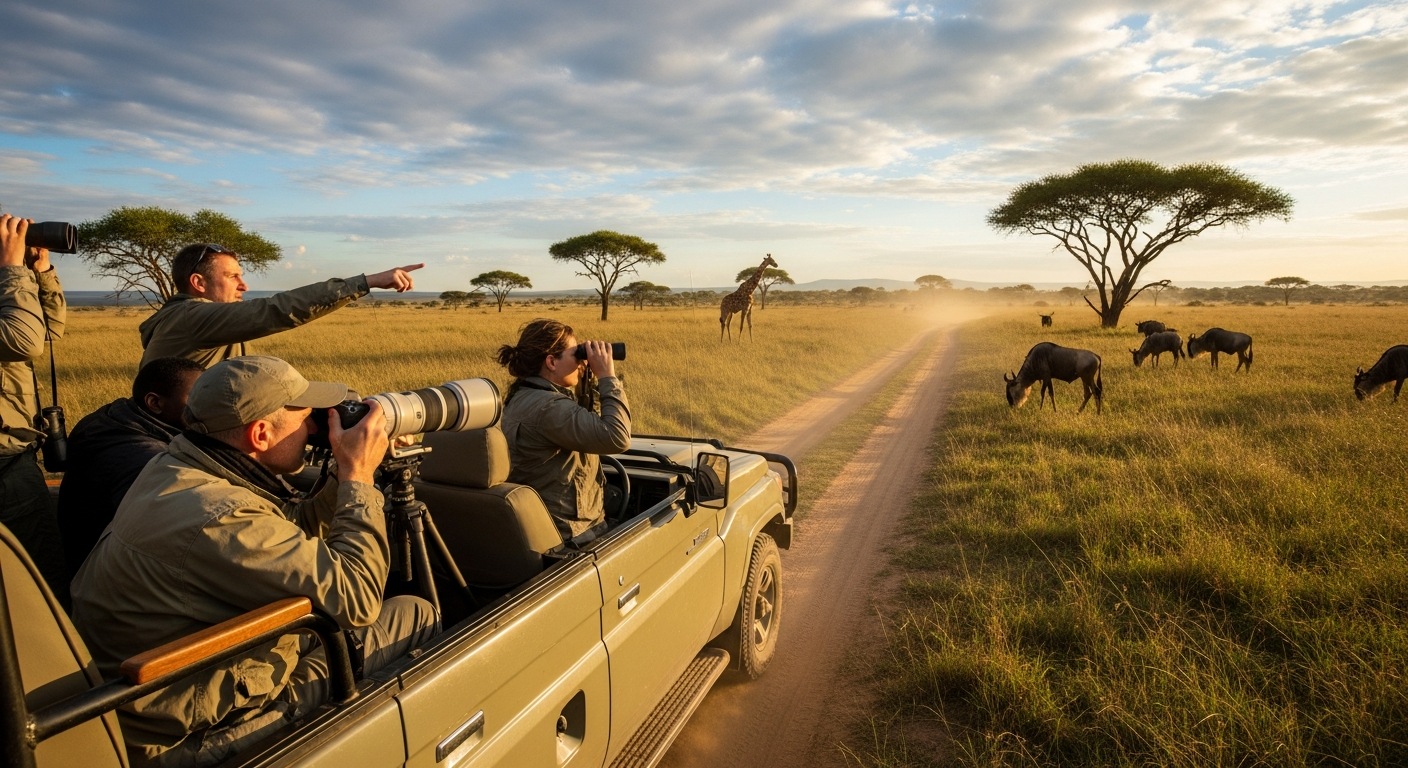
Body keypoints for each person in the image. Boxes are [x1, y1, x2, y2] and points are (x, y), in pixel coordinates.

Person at [71, 356, 438, 767]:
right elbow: (357, 600)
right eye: (304, 417)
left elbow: (283, 530)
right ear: (260, 434)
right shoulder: (219, 515)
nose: (315, 427)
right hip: (184, 742)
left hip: (145, 709)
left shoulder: (175, 468)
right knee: (415, 613)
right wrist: (357, 477)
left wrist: (338, 476)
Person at [138, 242, 424, 368]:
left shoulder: (185, 317)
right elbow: (275, 309)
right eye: (232, 276)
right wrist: (367, 281)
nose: (243, 285)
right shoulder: (192, 317)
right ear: (199, 284)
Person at [57, 356, 205, 573]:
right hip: (107, 575)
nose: (207, 405)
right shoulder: (143, 459)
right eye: (195, 398)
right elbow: (169, 535)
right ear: (155, 403)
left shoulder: (118, 419)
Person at [496, 319, 631, 540]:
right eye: (576, 355)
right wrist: (607, 376)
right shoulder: (549, 407)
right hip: (571, 532)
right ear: (551, 361)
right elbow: (618, 437)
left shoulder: (524, 395)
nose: (581, 363)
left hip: (546, 523)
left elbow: (584, 424)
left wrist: (587, 382)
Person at [0, 213, 68, 603]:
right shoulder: (7, 284)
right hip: (4, 462)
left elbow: (48, 332)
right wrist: (11, 269)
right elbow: (25, 341)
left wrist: (40, 271)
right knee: (39, 582)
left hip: (14, 456)